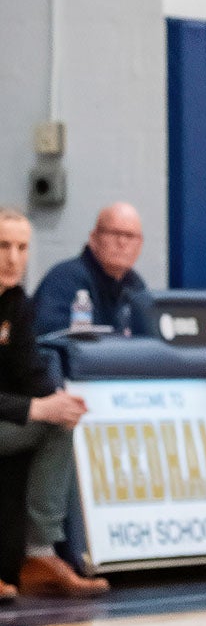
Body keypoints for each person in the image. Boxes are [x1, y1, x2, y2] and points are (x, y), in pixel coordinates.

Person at [0, 207, 110, 599]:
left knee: (58, 424)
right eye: (3, 246)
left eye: (22, 248)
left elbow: (30, 369)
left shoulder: (16, 304)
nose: (13, 258)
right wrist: (34, 409)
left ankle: (39, 554)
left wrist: (58, 401)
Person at [33, 202, 152, 337]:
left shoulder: (135, 284)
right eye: (114, 233)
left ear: (140, 244)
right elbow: (51, 336)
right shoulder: (64, 279)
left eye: (130, 236)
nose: (122, 242)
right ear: (94, 238)